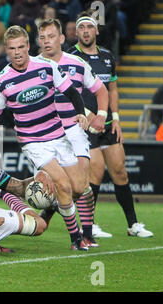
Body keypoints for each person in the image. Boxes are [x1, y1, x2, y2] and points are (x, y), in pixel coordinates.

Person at [0, 25, 91, 251]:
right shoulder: (2, 80)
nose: (17, 52)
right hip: (33, 142)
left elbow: (71, 92)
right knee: (62, 183)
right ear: (6, 50)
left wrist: (80, 112)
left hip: (58, 135)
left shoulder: (48, 67)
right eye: (12, 48)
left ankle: (43, 200)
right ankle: (75, 239)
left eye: (21, 47)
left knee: (78, 187)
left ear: (28, 46)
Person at [68, 13, 153, 238]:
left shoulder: (107, 56)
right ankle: (90, 225)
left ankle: (133, 225)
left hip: (107, 124)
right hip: (85, 125)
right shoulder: (71, 57)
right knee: (95, 173)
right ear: (77, 33)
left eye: (89, 27)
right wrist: (83, 114)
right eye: (81, 28)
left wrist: (116, 118)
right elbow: (65, 91)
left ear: (97, 31)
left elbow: (112, 88)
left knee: (120, 172)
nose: (86, 31)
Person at [37, 18, 109, 247]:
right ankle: (79, 236)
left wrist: (102, 116)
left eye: (51, 37)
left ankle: (84, 231)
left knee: (81, 186)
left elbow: (101, 90)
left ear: (61, 39)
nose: (47, 41)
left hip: (74, 130)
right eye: (42, 38)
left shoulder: (77, 63)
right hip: (46, 134)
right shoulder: (32, 65)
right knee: (57, 186)